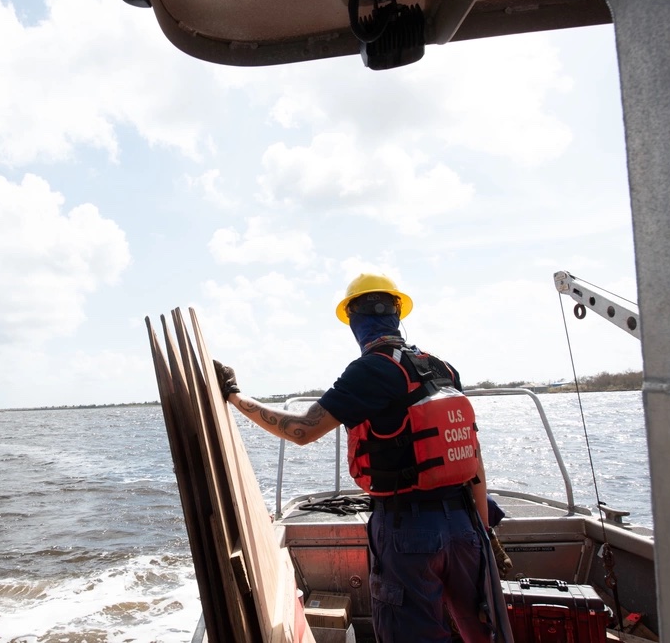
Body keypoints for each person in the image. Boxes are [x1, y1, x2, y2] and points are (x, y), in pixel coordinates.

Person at [213, 273, 511, 643]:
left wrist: (235, 396)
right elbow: (473, 457)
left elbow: (302, 430)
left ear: (353, 319)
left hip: (408, 529)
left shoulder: (371, 368)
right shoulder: (442, 368)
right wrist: (483, 531)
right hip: (466, 525)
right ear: (398, 314)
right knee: (481, 629)